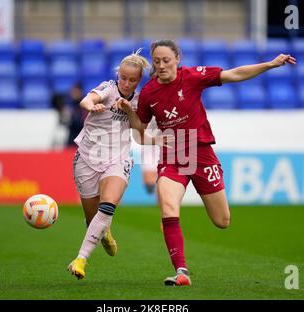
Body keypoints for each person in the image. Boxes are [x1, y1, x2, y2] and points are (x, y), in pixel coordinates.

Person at [116, 39, 296, 286]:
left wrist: (271, 64)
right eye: (157, 61)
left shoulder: (193, 77)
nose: (161, 65)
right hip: (172, 156)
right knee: (168, 208)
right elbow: (139, 132)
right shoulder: (148, 93)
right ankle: (181, 271)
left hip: (201, 154)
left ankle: (182, 255)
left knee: (222, 221)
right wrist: (133, 116)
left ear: (177, 59)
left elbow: (234, 74)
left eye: (166, 60)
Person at [67, 49, 173, 280]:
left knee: (107, 207)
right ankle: (103, 233)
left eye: (132, 79)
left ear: (138, 80)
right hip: (87, 157)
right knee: (92, 218)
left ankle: (80, 259)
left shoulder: (139, 100)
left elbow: (141, 135)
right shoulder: (108, 89)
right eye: (123, 77)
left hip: (118, 159)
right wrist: (90, 106)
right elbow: (87, 99)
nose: (126, 83)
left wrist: (158, 139)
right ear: (118, 74)